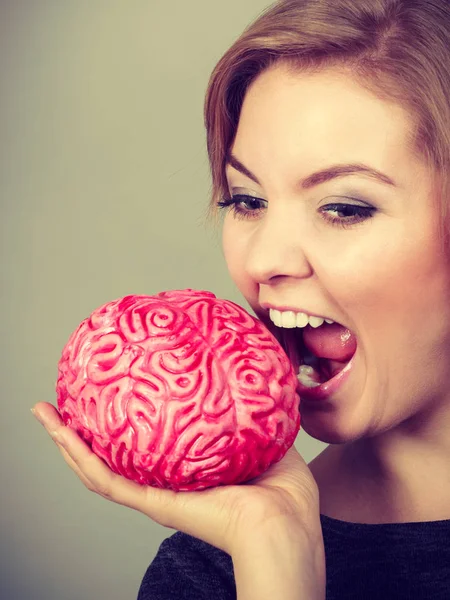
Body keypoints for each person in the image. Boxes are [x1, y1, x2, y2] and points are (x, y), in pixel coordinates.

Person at [32, 0, 450, 598]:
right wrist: (279, 560)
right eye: (247, 200)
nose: (261, 262)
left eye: (343, 207)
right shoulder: (215, 571)